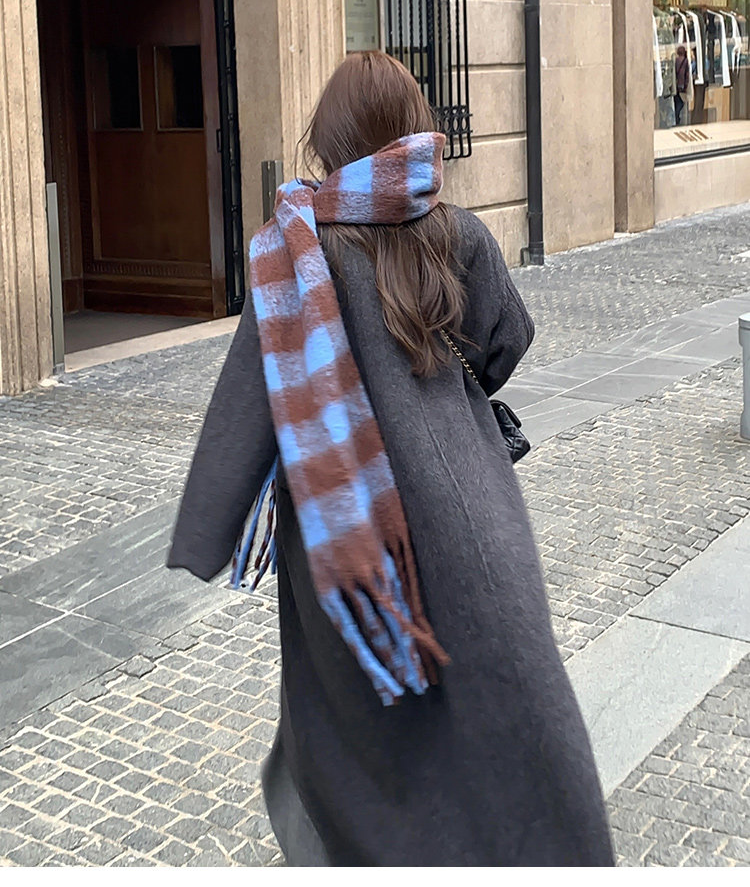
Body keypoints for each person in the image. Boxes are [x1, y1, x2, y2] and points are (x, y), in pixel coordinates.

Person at [167, 50, 615, 867]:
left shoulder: (290, 249)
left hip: (345, 531)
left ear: (328, 139)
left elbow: (250, 401)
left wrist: (207, 530)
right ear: (412, 127)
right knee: (506, 694)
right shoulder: (458, 231)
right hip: (467, 506)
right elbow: (507, 341)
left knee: (362, 725)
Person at [674, 44, 690, 126]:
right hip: (682, 84)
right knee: (682, 102)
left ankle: (676, 117)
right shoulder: (685, 61)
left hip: (676, 84)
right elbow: (687, 75)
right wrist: (686, 85)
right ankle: (677, 115)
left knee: (677, 101)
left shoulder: (676, 61)